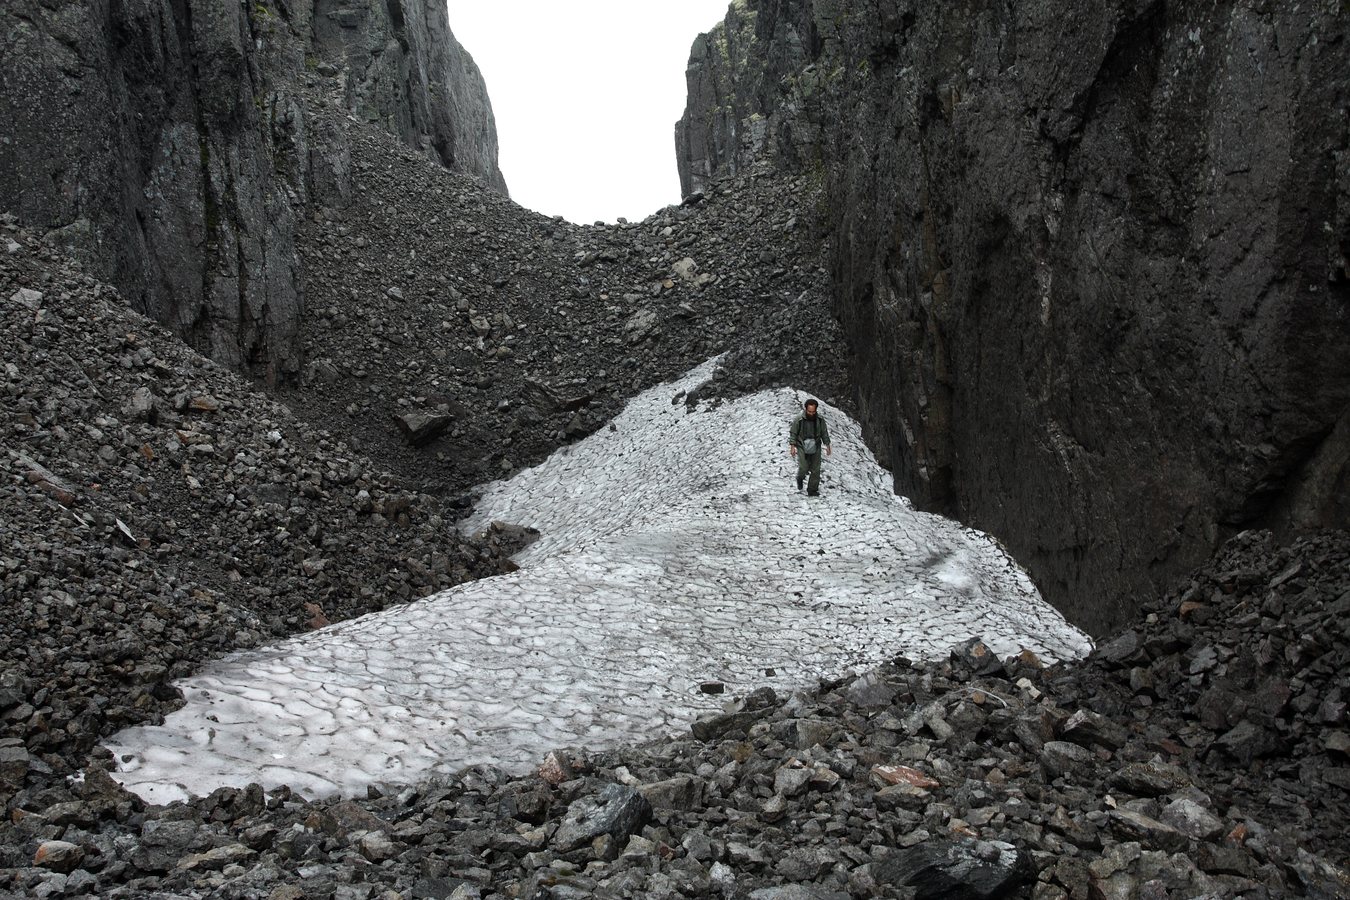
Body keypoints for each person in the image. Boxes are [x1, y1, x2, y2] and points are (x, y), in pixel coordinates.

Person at [788, 398, 832, 496]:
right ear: (805, 409)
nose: (811, 413)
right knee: (804, 466)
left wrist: (827, 445)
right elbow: (793, 433)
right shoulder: (798, 419)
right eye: (809, 411)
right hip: (802, 445)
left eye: (813, 411)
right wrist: (792, 446)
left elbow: (824, 432)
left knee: (816, 469)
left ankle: (812, 490)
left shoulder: (820, 420)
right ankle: (800, 477)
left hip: (816, 444)